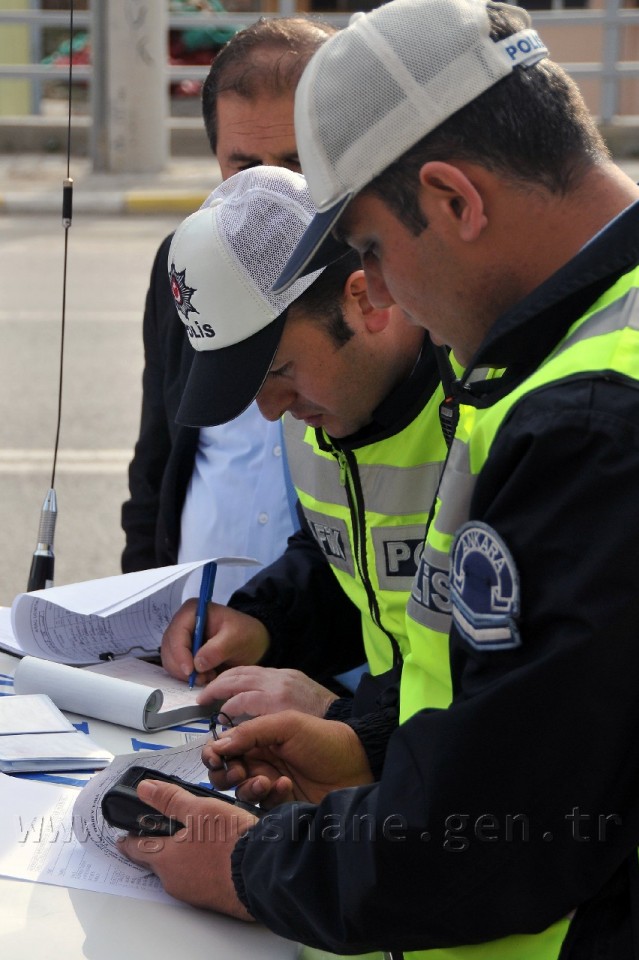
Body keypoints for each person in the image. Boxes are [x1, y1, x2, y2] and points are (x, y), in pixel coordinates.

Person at [121, 0, 639, 957]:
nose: (380, 296)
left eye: (367, 252)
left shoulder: (588, 416)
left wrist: (244, 864)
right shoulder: (551, 364)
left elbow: (494, 837)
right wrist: (371, 747)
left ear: (451, 201)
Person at [161, 161, 453, 740]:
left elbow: (511, 677)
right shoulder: (318, 409)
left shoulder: (481, 407)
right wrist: (263, 621)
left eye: (281, 371)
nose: (271, 410)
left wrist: (345, 720)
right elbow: (347, 562)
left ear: (365, 300)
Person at [120, 16, 337, 607]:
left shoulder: (391, 273)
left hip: (336, 658)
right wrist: (139, 606)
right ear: (214, 154)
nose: (270, 193)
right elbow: (156, 455)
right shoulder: (182, 262)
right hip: (193, 637)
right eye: (245, 168)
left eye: (294, 166)